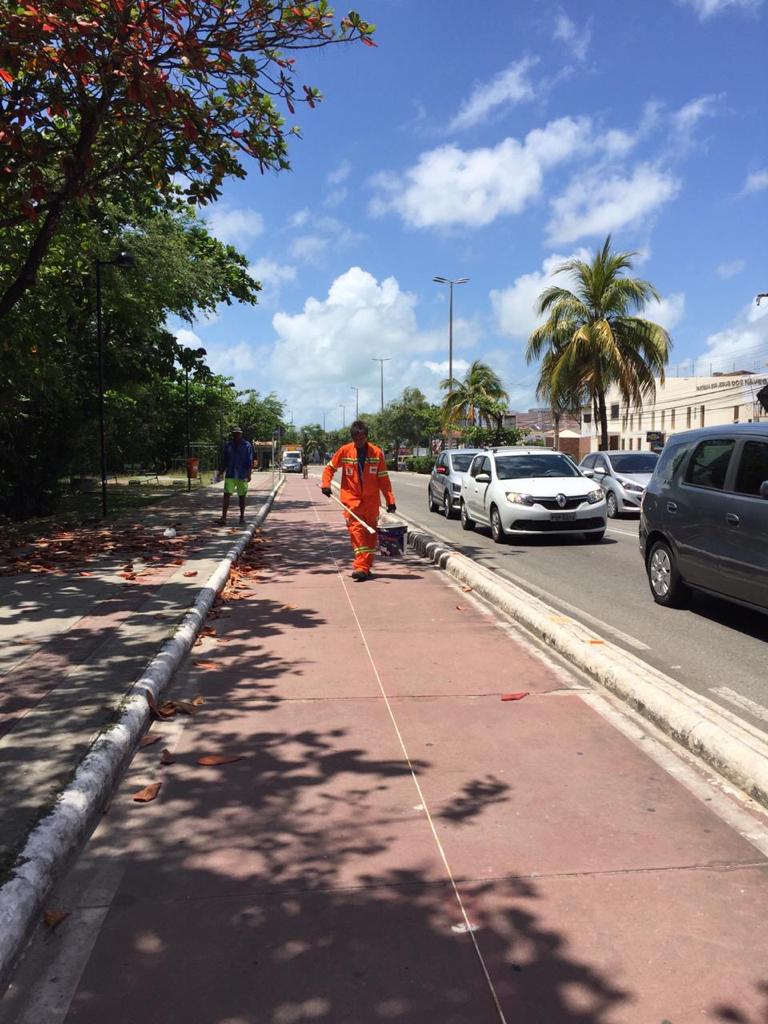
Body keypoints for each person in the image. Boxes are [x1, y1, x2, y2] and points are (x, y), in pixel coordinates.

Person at [321, 420, 396, 581]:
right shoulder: (345, 451)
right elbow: (330, 468)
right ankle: (361, 567)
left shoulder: (376, 453)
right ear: (352, 437)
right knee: (357, 533)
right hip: (351, 502)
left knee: (370, 536)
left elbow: (384, 480)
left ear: (367, 436)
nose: (359, 441)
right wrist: (325, 484)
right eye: (356, 438)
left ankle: (365, 567)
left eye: (362, 438)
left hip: (371, 503)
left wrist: (390, 501)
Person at [218, 426, 253, 526]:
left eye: (238, 433)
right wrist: (221, 471)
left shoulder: (247, 445)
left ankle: (242, 517)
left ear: (241, 434)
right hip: (230, 474)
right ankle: (223, 517)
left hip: (242, 474)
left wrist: (249, 474)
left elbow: (249, 461)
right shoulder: (229, 445)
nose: (236, 435)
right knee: (226, 495)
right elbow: (225, 460)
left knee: (242, 496)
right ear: (232, 434)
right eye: (234, 433)